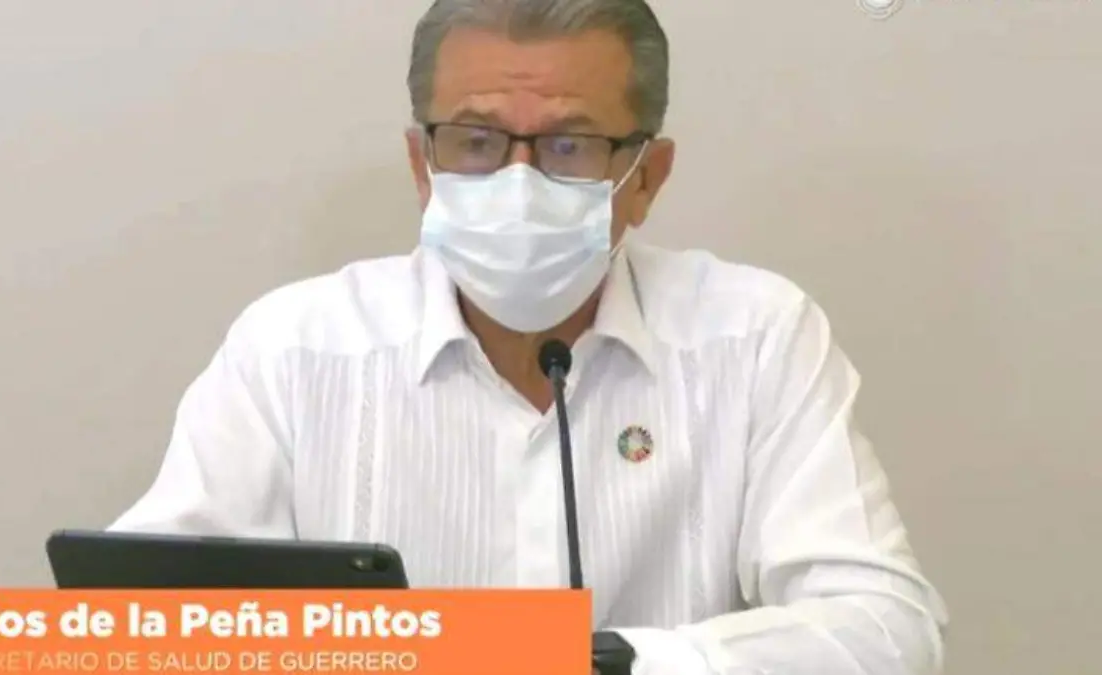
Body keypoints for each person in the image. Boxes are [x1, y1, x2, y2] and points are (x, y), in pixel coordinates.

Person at [109, 0, 949, 672]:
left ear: (645, 179)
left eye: (567, 145)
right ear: (422, 166)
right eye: (474, 142)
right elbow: (137, 625)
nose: (517, 182)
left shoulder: (755, 336)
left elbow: (887, 628)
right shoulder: (293, 349)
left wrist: (616, 662)